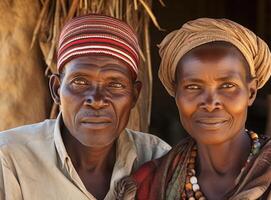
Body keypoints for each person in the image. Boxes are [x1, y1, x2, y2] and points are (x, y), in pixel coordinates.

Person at [116, 18, 271, 200]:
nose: (211, 103)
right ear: (176, 94)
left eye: (227, 85)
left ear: (251, 92)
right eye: (193, 87)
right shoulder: (149, 182)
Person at [0, 14, 170, 200]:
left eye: (115, 84)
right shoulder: (9, 159)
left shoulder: (159, 160)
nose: (96, 100)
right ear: (56, 89)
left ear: (134, 96)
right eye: (80, 81)